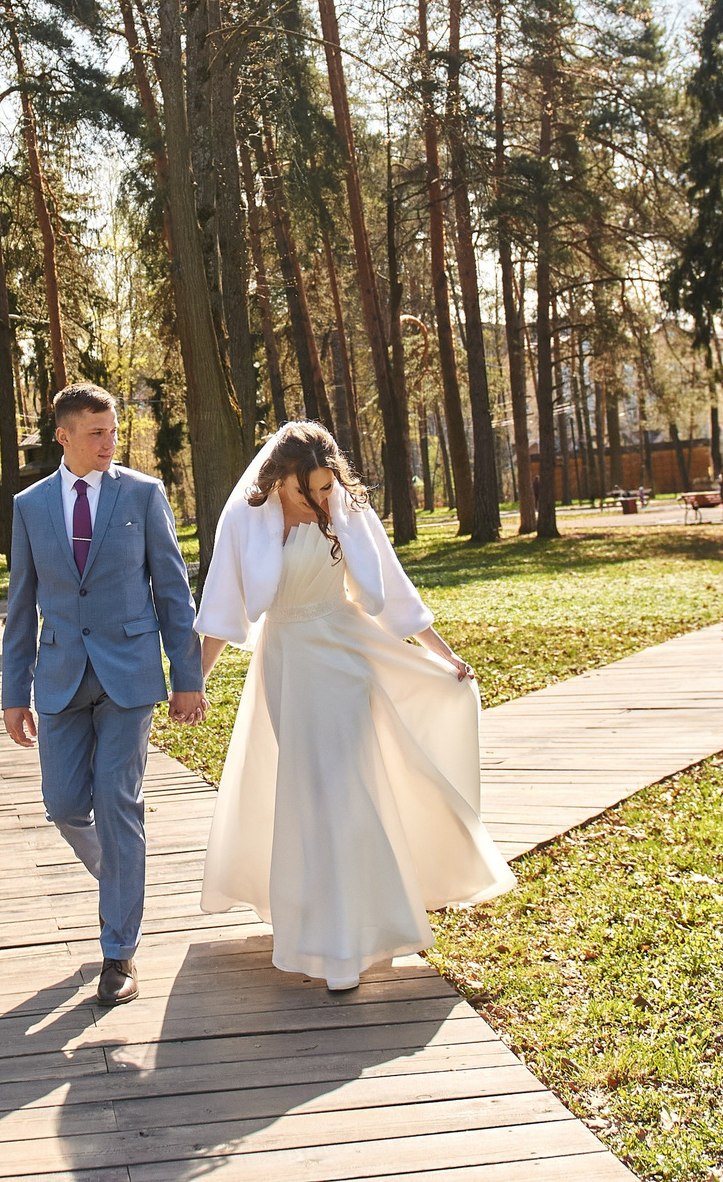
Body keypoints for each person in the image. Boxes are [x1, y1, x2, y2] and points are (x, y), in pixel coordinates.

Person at [194, 420, 514, 993]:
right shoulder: (247, 518)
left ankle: (348, 944)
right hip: (287, 662)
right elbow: (223, 606)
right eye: (307, 489)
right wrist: (192, 683)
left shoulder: (345, 508)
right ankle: (317, 926)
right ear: (278, 478)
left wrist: (444, 655)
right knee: (308, 792)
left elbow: (392, 587)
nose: (319, 499)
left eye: (325, 487)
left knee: (343, 788)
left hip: (346, 656)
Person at [1, 382, 205, 1007]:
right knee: (64, 804)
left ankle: (119, 952)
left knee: (118, 803)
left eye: (114, 431)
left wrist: (187, 677)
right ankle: (122, 874)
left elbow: (172, 590)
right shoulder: (31, 506)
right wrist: (14, 692)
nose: (110, 443)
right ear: (63, 436)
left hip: (130, 674)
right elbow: (21, 605)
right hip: (60, 676)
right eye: (96, 433)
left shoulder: (142, 495)